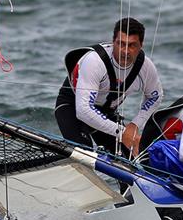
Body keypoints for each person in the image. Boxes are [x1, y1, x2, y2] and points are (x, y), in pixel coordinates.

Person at [55, 17, 163, 158]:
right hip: (73, 106)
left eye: (132, 45)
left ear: (141, 46)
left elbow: (156, 96)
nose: (125, 51)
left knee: (131, 160)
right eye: (121, 44)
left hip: (106, 111)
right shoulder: (94, 61)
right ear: (113, 42)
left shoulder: (146, 67)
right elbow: (83, 110)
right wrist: (122, 132)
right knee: (84, 155)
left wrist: (134, 125)